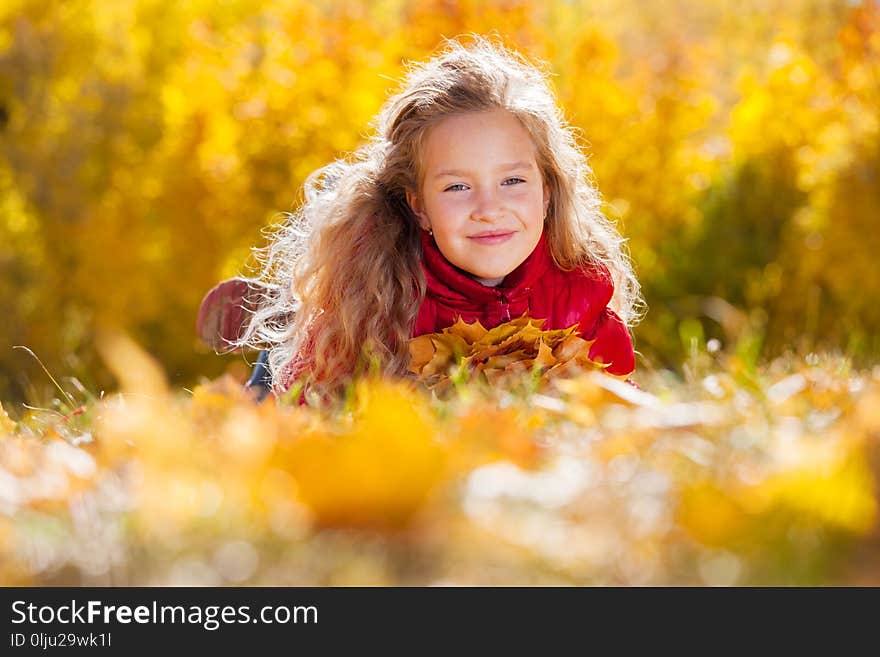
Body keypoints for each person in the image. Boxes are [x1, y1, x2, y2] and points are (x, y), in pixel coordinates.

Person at [198, 36, 644, 401]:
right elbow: (305, 407)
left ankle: (280, 309)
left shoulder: (580, 285)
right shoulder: (370, 294)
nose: (489, 209)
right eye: (456, 187)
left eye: (512, 182)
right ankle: (283, 319)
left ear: (547, 191)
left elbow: (614, 403)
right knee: (266, 395)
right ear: (418, 206)